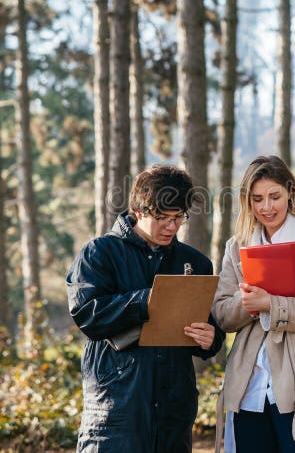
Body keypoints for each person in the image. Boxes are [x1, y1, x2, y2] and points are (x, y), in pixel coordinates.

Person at [66, 164, 225, 452]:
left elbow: (208, 327)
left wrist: (210, 338)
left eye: (179, 218)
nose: (171, 226)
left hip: (173, 415)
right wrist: (145, 300)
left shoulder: (195, 263)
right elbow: (86, 314)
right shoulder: (99, 253)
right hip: (116, 410)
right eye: (162, 217)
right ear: (138, 210)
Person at [212, 155, 295, 453]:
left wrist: (271, 304)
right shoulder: (237, 245)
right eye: (257, 199)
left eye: (275, 196)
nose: (266, 207)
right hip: (249, 389)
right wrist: (247, 302)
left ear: (290, 193)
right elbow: (222, 313)